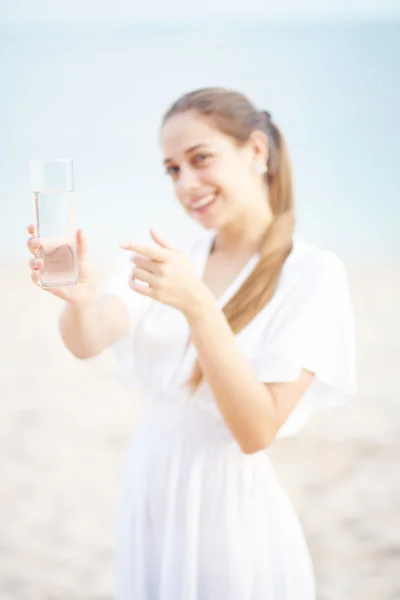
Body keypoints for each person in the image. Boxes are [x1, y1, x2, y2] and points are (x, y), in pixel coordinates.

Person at [26, 87, 357, 599]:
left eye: (201, 159)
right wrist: (79, 299)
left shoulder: (312, 274)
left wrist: (199, 305)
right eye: (172, 169)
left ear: (255, 151)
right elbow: (89, 339)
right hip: (152, 487)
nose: (186, 184)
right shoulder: (172, 254)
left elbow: (255, 431)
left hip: (229, 510)